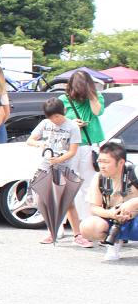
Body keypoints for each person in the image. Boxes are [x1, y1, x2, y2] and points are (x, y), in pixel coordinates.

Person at [25, 98, 92, 247]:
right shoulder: (45, 124)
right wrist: (39, 144)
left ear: (64, 112)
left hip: (65, 168)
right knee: (45, 201)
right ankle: (52, 232)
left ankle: (77, 235)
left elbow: (73, 151)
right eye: (51, 117)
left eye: (57, 116)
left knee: (68, 202)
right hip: (45, 167)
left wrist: (59, 159)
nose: (55, 120)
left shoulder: (72, 127)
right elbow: (30, 140)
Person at [80, 140, 138, 261]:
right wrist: (111, 213)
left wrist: (133, 203)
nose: (102, 166)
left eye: (106, 162)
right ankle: (114, 243)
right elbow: (94, 207)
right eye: (100, 161)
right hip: (114, 220)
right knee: (88, 226)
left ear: (121, 162)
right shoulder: (99, 178)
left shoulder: (135, 173)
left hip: (135, 219)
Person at [60, 69, 105, 221]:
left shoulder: (96, 97)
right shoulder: (63, 99)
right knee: (67, 185)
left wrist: (91, 94)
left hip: (89, 145)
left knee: (89, 185)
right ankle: (62, 222)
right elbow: (56, 121)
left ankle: (87, 221)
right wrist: (71, 123)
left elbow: (97, 112)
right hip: (69, 146)